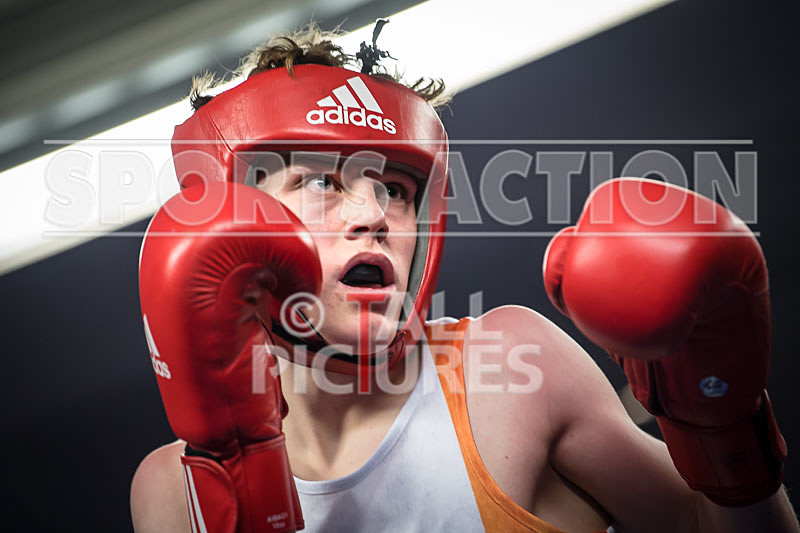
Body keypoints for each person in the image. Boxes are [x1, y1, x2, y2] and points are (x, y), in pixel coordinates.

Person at [131, 26, 800, 532]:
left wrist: (722, 422)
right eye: (319, 183)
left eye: (394, 188)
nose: (373, 215)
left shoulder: (509, 369)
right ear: (231, 213)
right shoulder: (172, 491)